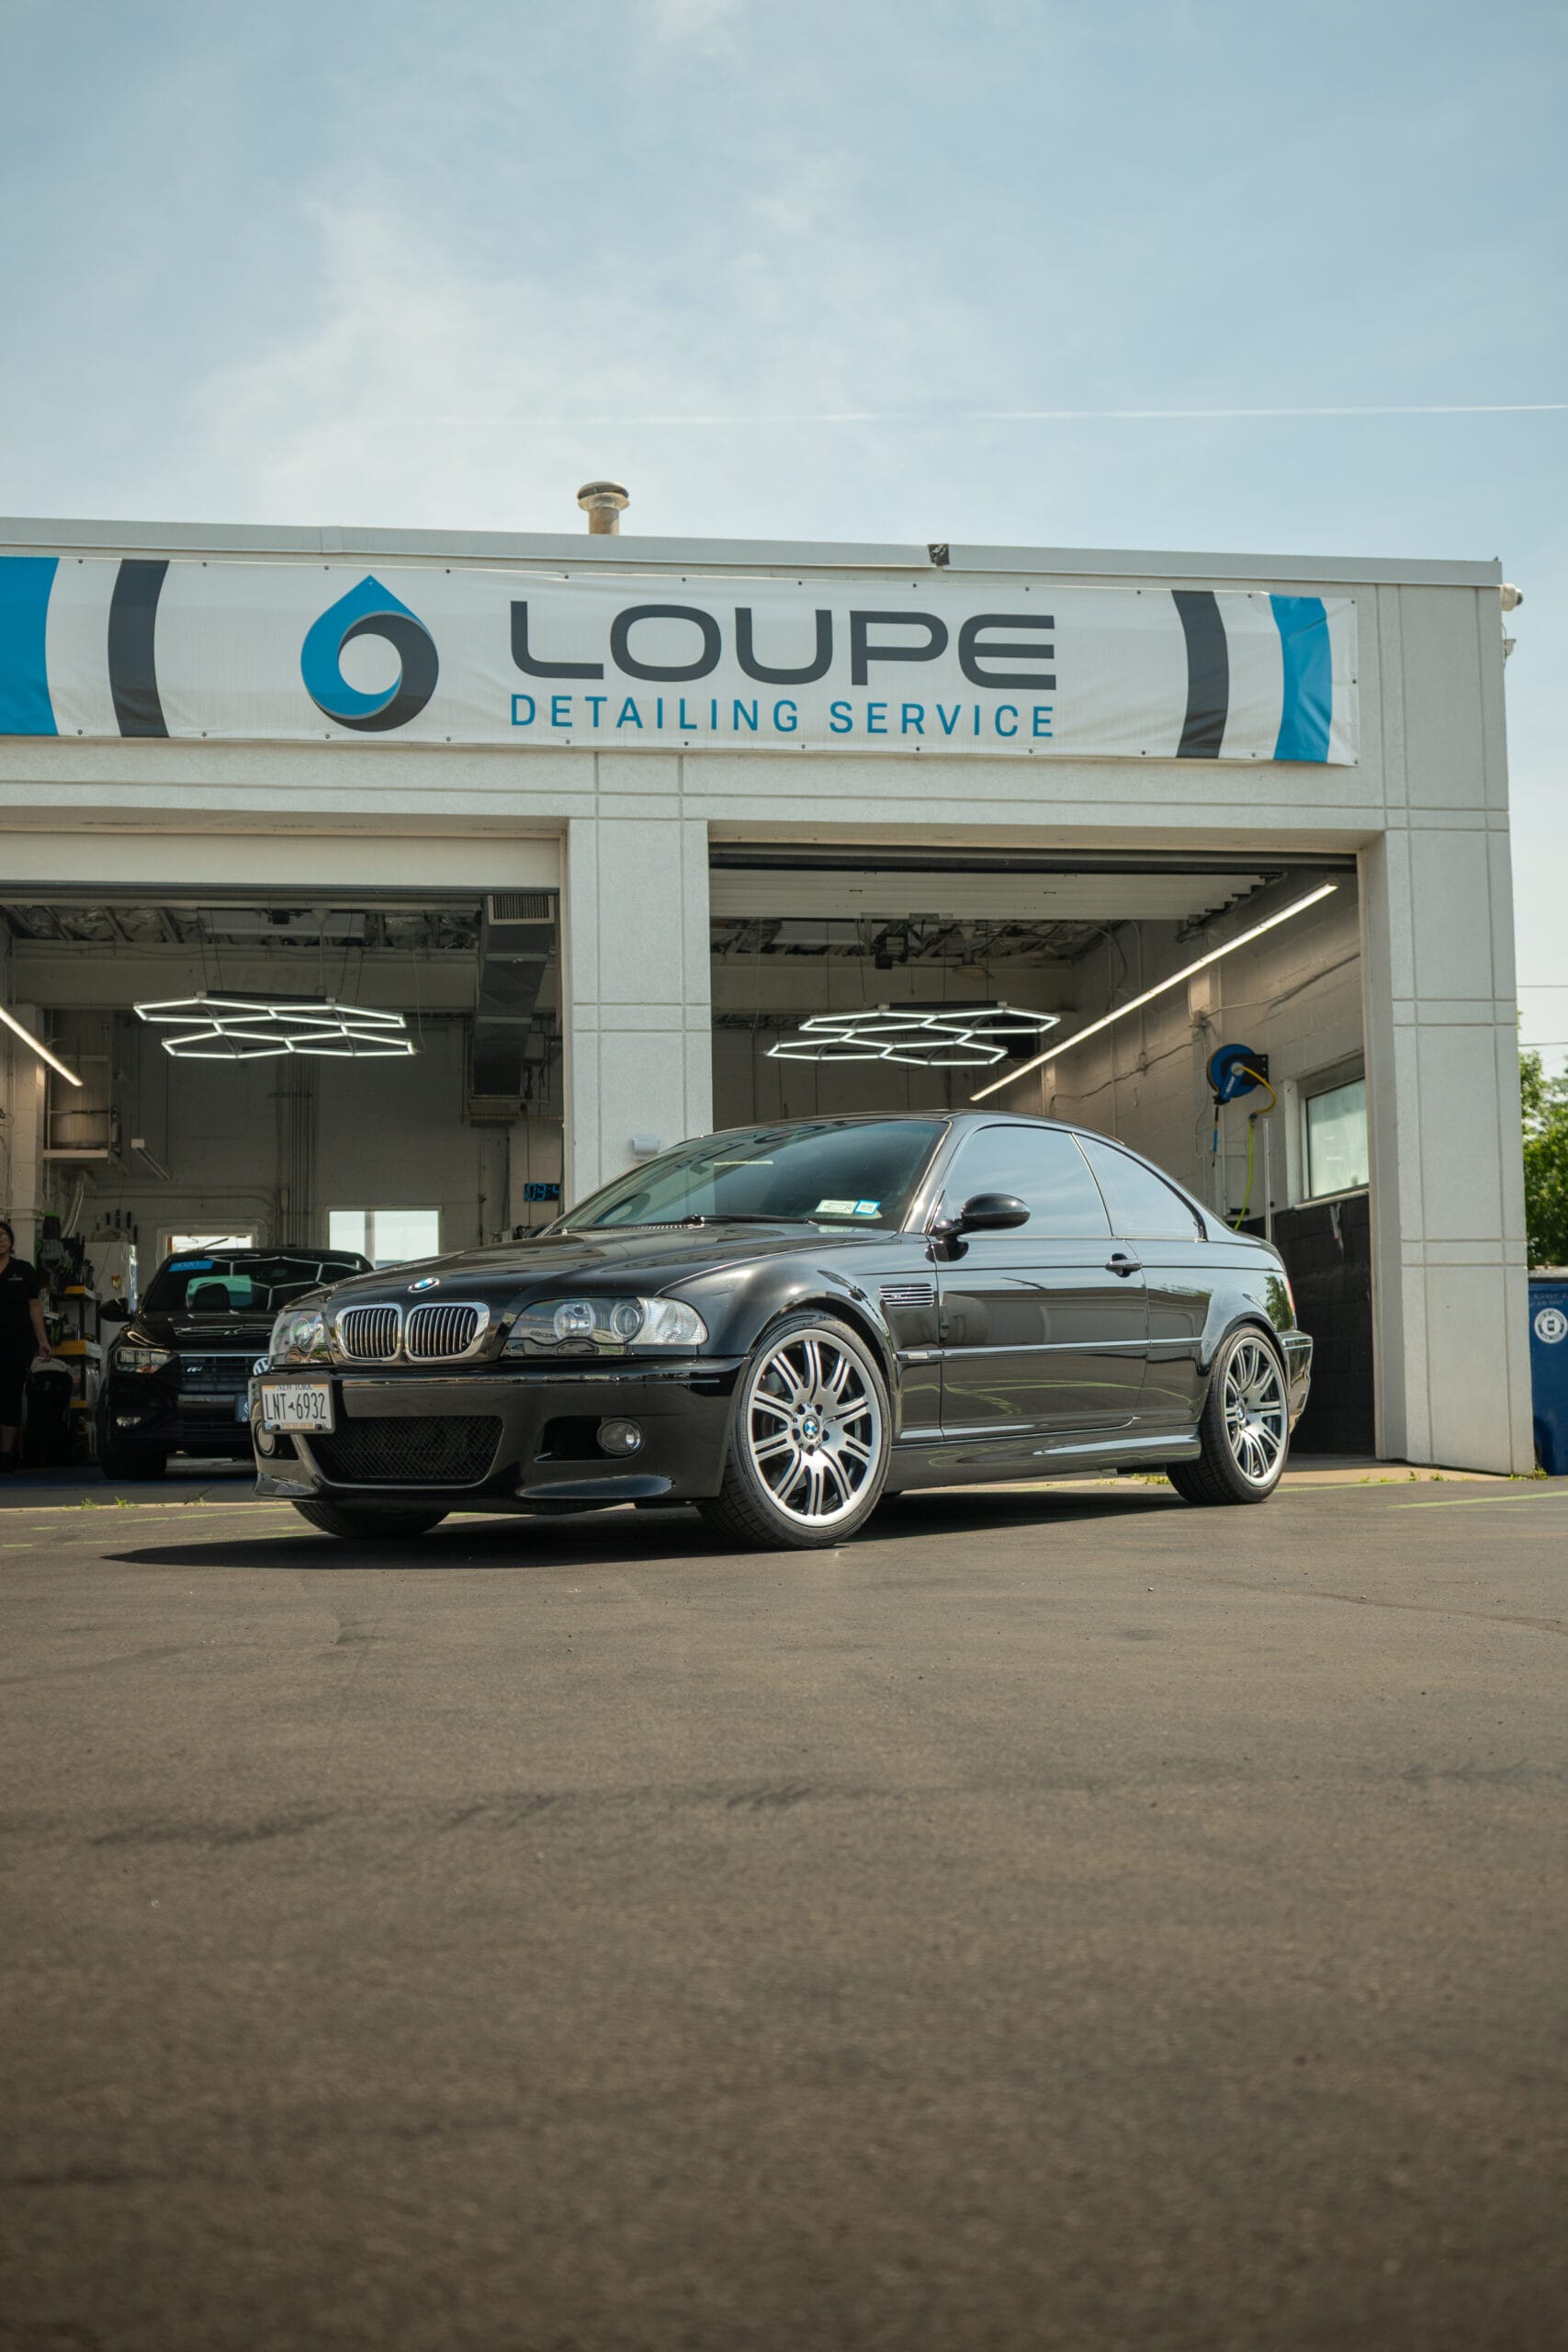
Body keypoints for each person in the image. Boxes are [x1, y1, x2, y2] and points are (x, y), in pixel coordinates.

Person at [0, 1221, 52, 1469]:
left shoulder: (23, 1270)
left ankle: (6, 1454)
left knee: (10, 1395)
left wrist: (43, 1341)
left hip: (16, 1343)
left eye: (4, 1235)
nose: (0, 1240)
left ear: (11, 1241)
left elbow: (34, 1307)